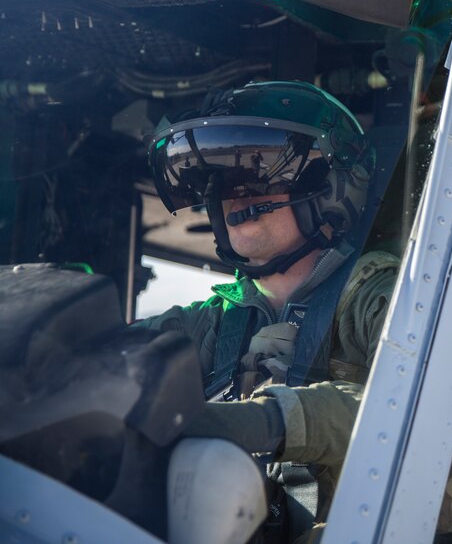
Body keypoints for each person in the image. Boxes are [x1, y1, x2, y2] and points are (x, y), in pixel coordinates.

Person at [140, 80, 398, 540]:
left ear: (333, 186)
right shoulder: (212, 321)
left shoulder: (383, 297)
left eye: (256, 173)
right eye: (215, 179)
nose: (231, 195)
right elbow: (109, 355)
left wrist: (266, 421)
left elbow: (415, 410)